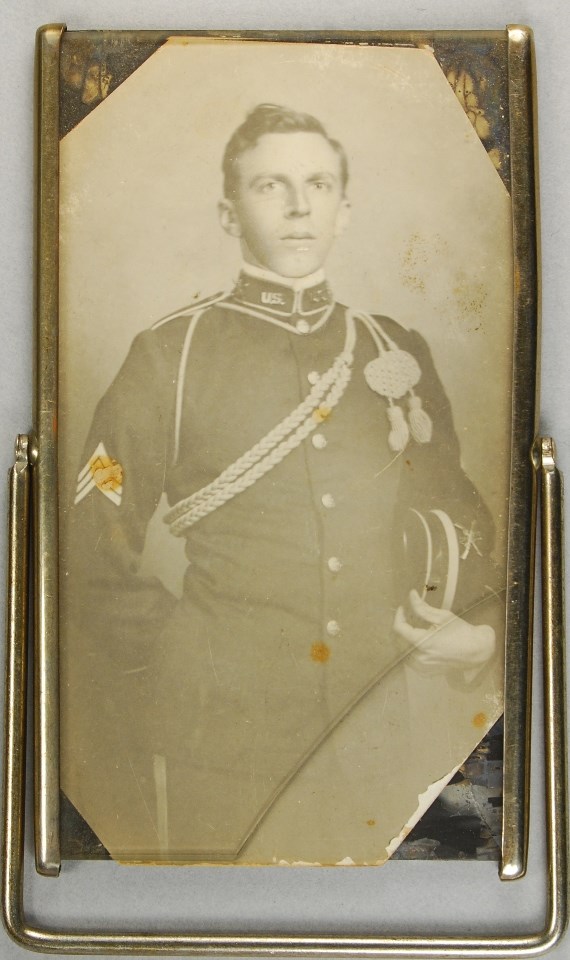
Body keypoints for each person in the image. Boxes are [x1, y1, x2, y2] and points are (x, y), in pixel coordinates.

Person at [60, 103, 500, 864]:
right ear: (230, 214)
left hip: (376, 734)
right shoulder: (171, 356)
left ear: (345, 207)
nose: (300, 207)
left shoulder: (394, 348)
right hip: (226, 735)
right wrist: (178, 655)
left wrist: (482, 636)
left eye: (319, 185)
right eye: (272, 186)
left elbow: (456, 513)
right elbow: (83, 544)